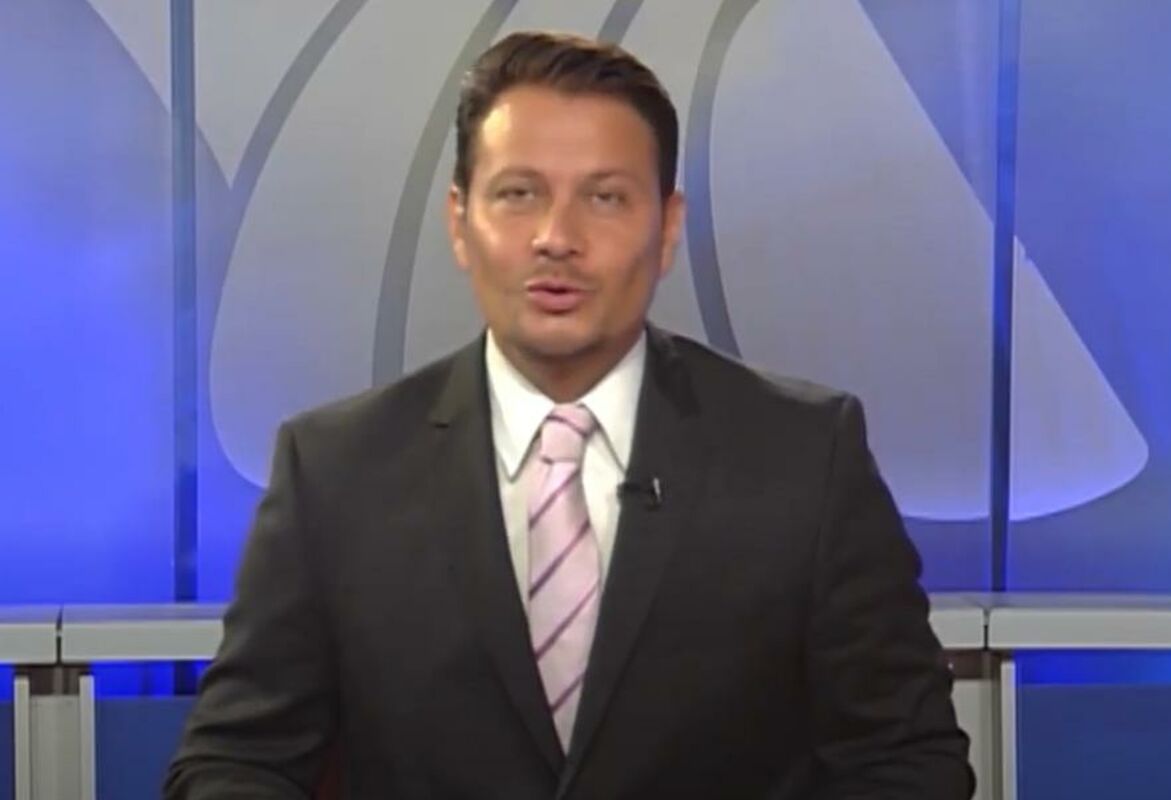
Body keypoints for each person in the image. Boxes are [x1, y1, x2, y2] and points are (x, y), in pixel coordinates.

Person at [165, 30, 973, 799]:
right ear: (459, 221)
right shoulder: (336, 474)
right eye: (518, 195)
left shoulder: (804, 458)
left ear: (667, 229)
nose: (557, 237)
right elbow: (237, 761)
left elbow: (905, 762)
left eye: (605, 198)